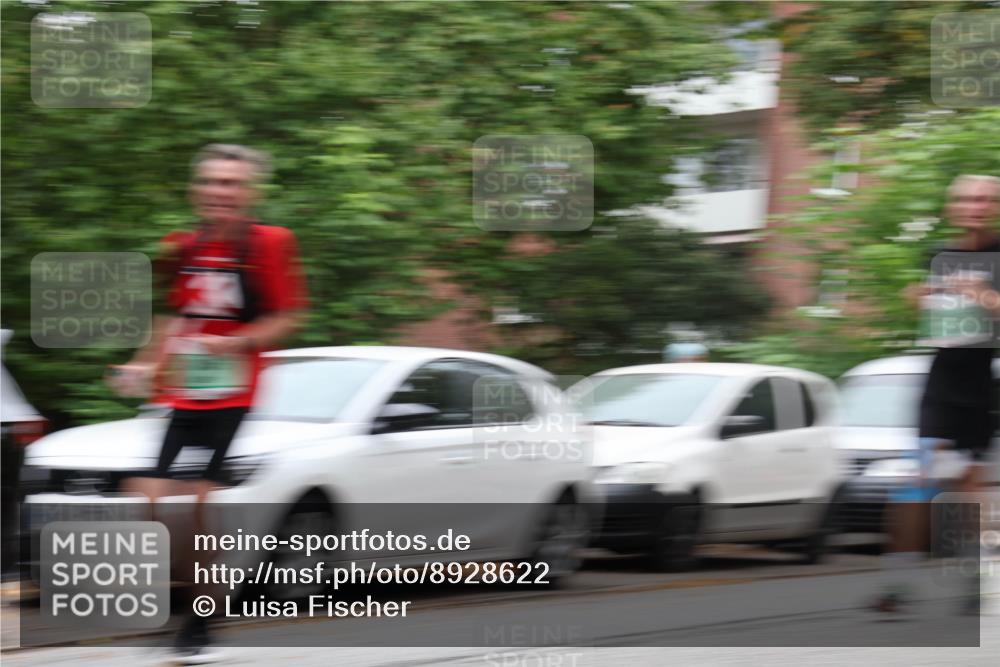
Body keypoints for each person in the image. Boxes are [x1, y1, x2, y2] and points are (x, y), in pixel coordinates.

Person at [109, 144, 308, 662]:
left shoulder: (271, 243)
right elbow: (175, 319)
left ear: (249, 192)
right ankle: (195, 602)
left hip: (235, 390)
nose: (220, 192)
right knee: (151, 498)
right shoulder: (183, 245)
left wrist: (236, 342)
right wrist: (143, 364)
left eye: (231, 183)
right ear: (197, 190)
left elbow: (287, 317)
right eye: (212, 183)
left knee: (193, 497)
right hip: (186, 391)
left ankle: (199, 623)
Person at [873, 174, 1000, 615]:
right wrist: (920, 297)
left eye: (985, 199)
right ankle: (897, 585)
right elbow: (940, 324)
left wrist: (983, 295)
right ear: (953, 206)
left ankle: (975, 582)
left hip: (981, 386)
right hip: (941, 383)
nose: (976, 206)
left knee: (968, 489)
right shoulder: (941, 256)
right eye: (967, 198)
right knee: (919, 480)